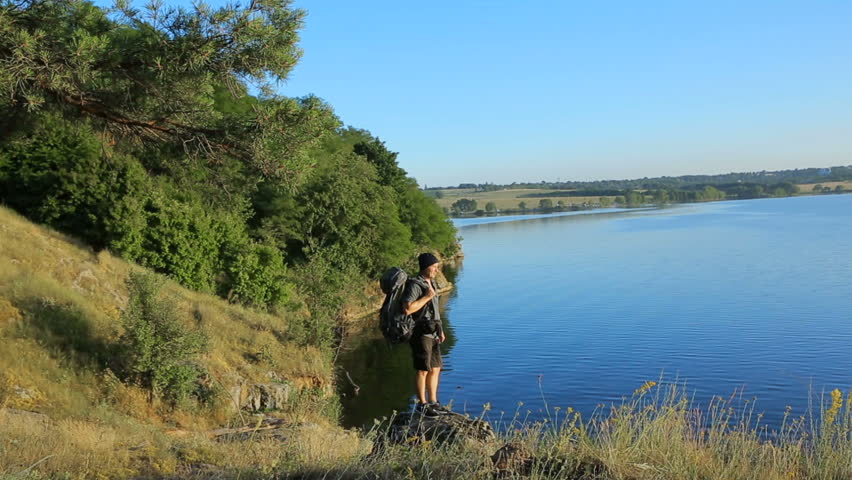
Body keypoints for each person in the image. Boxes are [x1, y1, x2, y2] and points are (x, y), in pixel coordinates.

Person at [401, 252, 447, 415]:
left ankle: (433, 402)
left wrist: (440, 329)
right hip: (420, 333)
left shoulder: (431, 283)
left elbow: (435, 311)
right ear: (426, 267)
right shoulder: (415, 285)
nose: (436, 270)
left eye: (437, 267)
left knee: (435, 368)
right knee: (422, 369)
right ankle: (422, 404)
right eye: (434, 267)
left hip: (433, 332)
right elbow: (407, 309)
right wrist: (427, 297)